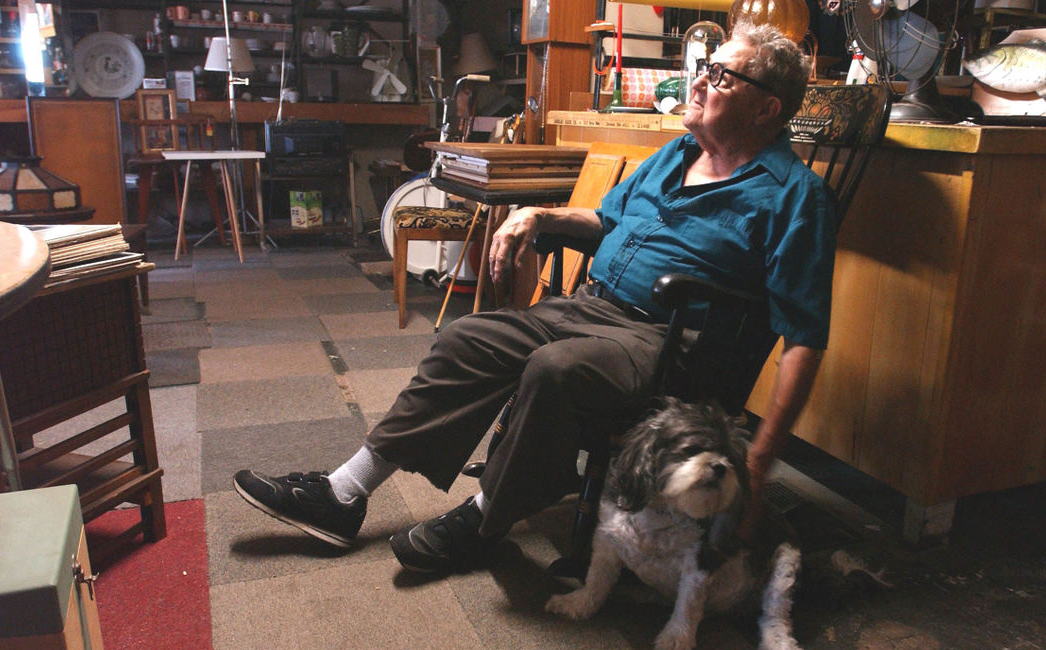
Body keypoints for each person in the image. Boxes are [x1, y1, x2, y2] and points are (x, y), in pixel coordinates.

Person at [234, 22, 834, 574]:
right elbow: (605, 218)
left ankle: (486, 514)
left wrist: (757, 465)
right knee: (467, 336)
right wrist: (536, 214)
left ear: (767, 107)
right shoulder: (677, 154)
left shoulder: (794, 196)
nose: (701, 80)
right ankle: (343, 492)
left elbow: (805, 337)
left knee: (554, 370)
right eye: (709, 67)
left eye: (722, 75)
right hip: (594, 308)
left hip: (672, 345)